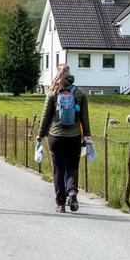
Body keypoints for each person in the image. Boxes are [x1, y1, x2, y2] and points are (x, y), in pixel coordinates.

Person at [36, 63, 91, 212]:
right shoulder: (79, 93)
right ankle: (72, 191)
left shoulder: (52, 92)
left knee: (58, 170)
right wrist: (87, 136)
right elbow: (84, 118)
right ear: (70, 74)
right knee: (72, 167)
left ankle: (60, 204)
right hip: (74, 137)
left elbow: (46, 116)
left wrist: (40, 135)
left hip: (55, 137)